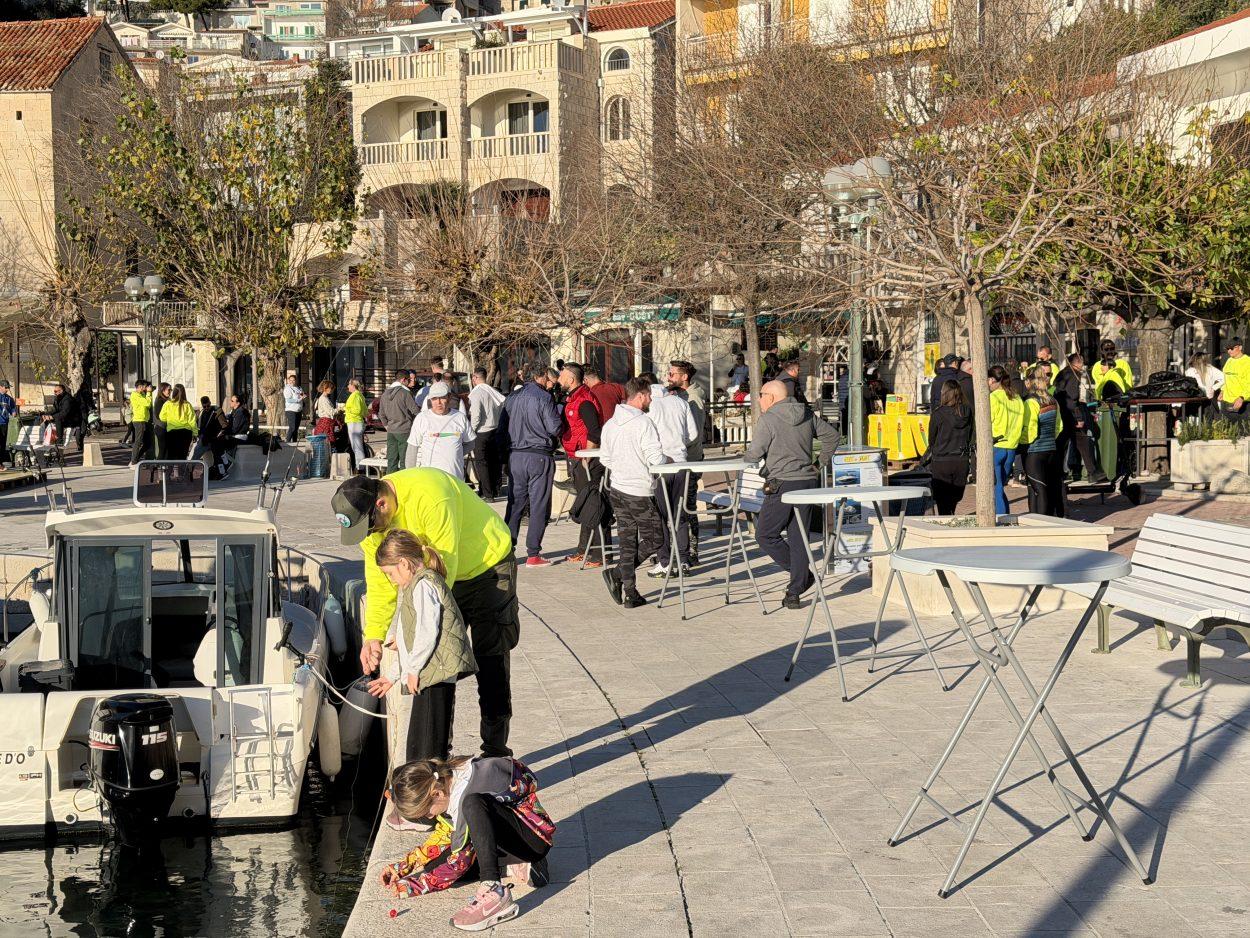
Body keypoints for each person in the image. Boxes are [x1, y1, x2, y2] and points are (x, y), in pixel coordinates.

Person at [331, 469, 517, 757]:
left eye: (369, 527)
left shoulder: (430, 495)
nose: (369, 535)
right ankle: (436, 756)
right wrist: (374, 636)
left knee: (490, 658)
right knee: (435, 664)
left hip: (486, 569)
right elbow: (380, 582)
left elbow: (441, 572)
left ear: (381, 504)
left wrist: (412, 631)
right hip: (439, 575)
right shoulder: (369, 525)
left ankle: (495, 751)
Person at [380, 755, 555, 930]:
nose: (430, 817)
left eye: (426, 812)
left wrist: (417, 886)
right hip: (504, 837)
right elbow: (446, 832)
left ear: (436, 794)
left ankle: (493, 888)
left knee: (473, 805)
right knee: (434, 867)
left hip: (533, 839)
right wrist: (404, 866)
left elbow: (459, 862)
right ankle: (518, 867)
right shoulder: (446, 780)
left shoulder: (465, 795)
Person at [367, 531, 476, 771]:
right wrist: (392, 676)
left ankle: (430, 789)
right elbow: (409, 640)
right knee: (419, 749)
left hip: (434, 675)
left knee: (428, 750)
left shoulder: (424, 585)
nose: (391, 580)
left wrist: (413, 670)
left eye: (390, 573)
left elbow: (427, 632)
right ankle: (426, 787)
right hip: (429, 674)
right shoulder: (414, 586)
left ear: (404, 563)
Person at [745, 380, 840, 609]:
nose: (758, 399)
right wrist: (819, 464)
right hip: (807, 482)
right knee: (799, 537)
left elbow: (754, 453)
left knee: (765, 534)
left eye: (761, 394)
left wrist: (748, 458)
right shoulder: (805, 413)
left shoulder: (768, 419)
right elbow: (832, 436)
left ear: (771, 397)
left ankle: (803, 577)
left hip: (782, 483)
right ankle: (794, 591)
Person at [599, 377, 666, 608]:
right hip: (638, 490)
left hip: (618, 488)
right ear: (640, 396)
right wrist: (666, 461)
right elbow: (655, 458)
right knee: (656, 538)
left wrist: (623, 467)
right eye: (649, 396)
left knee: (627, 541)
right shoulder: (643, 423)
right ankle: (618, 574)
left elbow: (605, 459)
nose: (651, 400)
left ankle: (630, 592)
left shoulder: (611, 424)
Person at [503, 369, 562, 567]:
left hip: (515, 456)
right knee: (538, 505)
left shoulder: (512, 398)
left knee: (514, 504)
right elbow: (554, 427)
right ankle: (533, 553)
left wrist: (504, 458)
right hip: (538, 455)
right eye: (548, 379)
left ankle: (506, 550)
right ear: (541, 376)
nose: (550, 383)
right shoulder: (544, 397)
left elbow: (501, 430)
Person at [642, 371, 698, 576]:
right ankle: (683, 560)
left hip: (659, 466)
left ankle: (665, 560)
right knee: (679, 515)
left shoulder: (649, 406)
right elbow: (693, 434)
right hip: (681, 464)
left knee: (659, 516)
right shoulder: (680, 403)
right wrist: (678, 443)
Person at [557, 363, 608, 567]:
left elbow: (594, 431)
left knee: (593, 505)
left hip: (587, 460)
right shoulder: (572, 398)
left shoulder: (584, 400)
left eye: (561, 376)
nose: (559, 379)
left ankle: (599, 554)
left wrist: (587, 455)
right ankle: (583, 549)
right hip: (576, 457)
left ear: (571, 379)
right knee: (585, 504)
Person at [667, 360, 705, 564]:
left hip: (690, 460)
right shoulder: (680, 395)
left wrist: (674, 445)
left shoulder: (693, 398)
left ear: (684, 377)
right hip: (681, 460)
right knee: (679, 506)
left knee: (687, 507)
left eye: (672, 374)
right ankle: (681, 549)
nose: (668, 377)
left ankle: (691, 552)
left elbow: (694, 433)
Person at [1053, 353, 1107, 484]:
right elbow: (1072, 398)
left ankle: (1058, 472)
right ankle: (1093, 473)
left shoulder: (1063, 374)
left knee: (1063, 442)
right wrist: (1078, 417)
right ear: (1076, 363)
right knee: (1083, 441)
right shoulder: (1073, 375)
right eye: (1082, 362)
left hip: (1063, 412)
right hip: (1071, 414)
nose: (1083, 365)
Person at [407, 383, 475, 479]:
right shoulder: (422, 418)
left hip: (455, 479)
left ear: (449, 397)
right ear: (430, 399)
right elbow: (412, 449)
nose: (438, 402)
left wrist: (456, 454)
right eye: (434, 398)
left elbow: (471, 443)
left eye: (442, 398)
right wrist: (410, 476)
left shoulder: (460, 417)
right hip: (430, 479)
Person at [1022, 368, 1064, 517]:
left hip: (1034, 452)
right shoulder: (1053, 401)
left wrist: (1021, 443)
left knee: (1038, 489)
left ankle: (1040, 523)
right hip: (1051, 450)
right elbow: (1059, 426)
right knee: (1046, 488)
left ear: (1029, 382)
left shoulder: (1031, 402)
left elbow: (1031, 429)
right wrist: (1049, 439)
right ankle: (1045, 520)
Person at [927, 380, 972, 515]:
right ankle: (951, 517)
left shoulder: (938, 414)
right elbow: (970, 434)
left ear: (944, 393)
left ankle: (946, 521)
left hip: (941, 461)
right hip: (961, 460)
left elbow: (932, 440)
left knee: (942, 502)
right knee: (954, 499)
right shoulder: (967, 412)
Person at [988, 365, 1025, 515]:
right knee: (1000, 486)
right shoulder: (1017, 398)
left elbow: (987, 421)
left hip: (997, 445)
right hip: (1011, 447)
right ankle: (1005, 515)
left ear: (992, 380)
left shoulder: (994, 397)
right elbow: (1022, 422)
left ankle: (1001, 517)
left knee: (996, 487)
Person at [468, 368, 506, 500]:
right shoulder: (493, 391)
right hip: (495, 430)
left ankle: (487, 493)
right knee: (493, 461)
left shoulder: (477, 393)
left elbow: (476, 416)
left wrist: (471, 431)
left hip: (482, 432)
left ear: (475, 378)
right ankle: (495, 489)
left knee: (482, 463)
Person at [380, 371, 420, 474]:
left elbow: (381, 414)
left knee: (391, 461)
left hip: (391, 431)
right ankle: (404, 482)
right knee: (405, 461)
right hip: (404, 430)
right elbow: (416, 411)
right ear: (403, 380)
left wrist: (386, 426)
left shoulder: (385, 393)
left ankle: (389, 481)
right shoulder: (405, 393)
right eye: (408, 380)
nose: (410, 382)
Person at [161, 384, 197, 460]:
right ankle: (181, 468)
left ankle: (170, 468)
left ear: (174, 392)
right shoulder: (187, 404)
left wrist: (170, 418)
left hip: (172, 432)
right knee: (183, 456)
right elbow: (192, 421)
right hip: (185, 432)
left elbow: (162, 417)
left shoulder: (168, 404)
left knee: (171, 455)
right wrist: (195, 433)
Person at [1186, 351, 1224, 418]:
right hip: (1207, 401)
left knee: (1194, 422)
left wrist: (1214, 388)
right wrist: (1214, 388)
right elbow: (1224, 378)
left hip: (1195, 401)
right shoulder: (1210, 369)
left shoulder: (1190, 371)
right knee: (1207, 422)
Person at [42, 383, 80, 449]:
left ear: (61, 391)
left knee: (58, 418)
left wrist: (52, 417)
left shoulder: (68, 399)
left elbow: (64, 413)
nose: (54, 393)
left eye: (55, 391)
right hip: (65, 418)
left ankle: (60, 440)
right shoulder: (58, 398)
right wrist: (45, 414)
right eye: (54, 391)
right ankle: (45, 438)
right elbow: (55, 409)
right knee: (45, 418)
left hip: (71, 419)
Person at [1220, 337, 1250, 419]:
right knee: (1226, 427)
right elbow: (1225, 379)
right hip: (1227, 404)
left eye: (1232, 348)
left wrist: (1242, 397)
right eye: (1227, 349)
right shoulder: (1229, 361)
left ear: (1240, 347)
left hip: (1243, 404)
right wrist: (1222, 391)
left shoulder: (1247, 362)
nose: (1229, 351)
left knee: (1243, 427)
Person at [128, 379, 153, 467]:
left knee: (148, 443)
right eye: (145, 386)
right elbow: (147, 403)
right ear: (140, 387)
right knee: (138, 442)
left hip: (144, 420)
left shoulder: (142, 394)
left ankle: (136, 459)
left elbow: (147, 405)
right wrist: (149, 393)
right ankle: (133, 462)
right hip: (138, 420)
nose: (146, 388)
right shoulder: (135, 395)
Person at [344, 378, 368, 469]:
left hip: (354, 422)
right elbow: (365, 412)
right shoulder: (360, 395)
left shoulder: (355, 395)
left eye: (349, 384)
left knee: (357, 447)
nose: (348, 386)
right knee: (358, 446)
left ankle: (360, 468)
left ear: (353, 385)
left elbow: (357, 410)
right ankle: (361, 467)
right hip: (357, 422)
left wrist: (345, 408)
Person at [193, 395, 219, 461]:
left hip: (209, 439)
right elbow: (197, 425)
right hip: (202, 438)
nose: (207, 408)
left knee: (195, 455)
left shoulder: (215, 411)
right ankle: (190, 466)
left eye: (208, 406)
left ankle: (190, 466)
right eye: (204, 406)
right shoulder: (201, 413)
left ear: (210, 403)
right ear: (202, 405)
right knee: (196, 454)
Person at [282, 373, 306, 443]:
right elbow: (288, 400)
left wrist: (303, 397)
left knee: (296, 428)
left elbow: (302, 395)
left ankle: (294, 442)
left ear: (296, 381)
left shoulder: (299, 388)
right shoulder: (287, 389)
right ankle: (287, 441)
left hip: (299, 410)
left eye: (293, 380)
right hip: (291, 410)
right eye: (290, 380)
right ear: (288, 381)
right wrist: (299, 399)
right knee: (292, 427)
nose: (292, 382)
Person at [151, 382, 172, 459]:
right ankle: (158, 464)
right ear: (162, 390)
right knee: (162, 450)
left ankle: (163, 465)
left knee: (167, 450)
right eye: (168, 390)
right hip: (161, 428)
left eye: (171, 390)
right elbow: (158, 415)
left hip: (166, 427)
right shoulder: (159, 400)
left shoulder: (167, 399)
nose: (170, 392)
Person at [0, 379, 16, 469]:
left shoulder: (9, 398)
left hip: (4, 423)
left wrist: (13, 412)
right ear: (0, 387)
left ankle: (1, 463)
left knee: (2, 444)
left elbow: (13, 408)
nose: (7, 389)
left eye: (8, 388)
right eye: (6, 387)